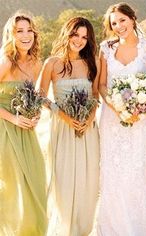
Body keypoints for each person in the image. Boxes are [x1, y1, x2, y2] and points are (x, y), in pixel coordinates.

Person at [97, 2, 146, 235]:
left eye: (122, 20)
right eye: (114, 23)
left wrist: (139, 108)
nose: (119, 26)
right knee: (112, 170)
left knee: (136, 168)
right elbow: (102, 85)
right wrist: (115, 105)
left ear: (133, 19)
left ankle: (139, 225)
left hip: (139, 119)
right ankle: (113, 227)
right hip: (111, 119)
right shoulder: (105, 48)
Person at [39, 17, 100, 236]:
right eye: (76, 34)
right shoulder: (52, 63)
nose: (80, 40)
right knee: (63, 182)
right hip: (62, 129)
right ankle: (65, 230)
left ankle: (83, 230)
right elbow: (41, 97)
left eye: (85, 37)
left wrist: (91, 117)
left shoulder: (93, 61)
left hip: (87, 130)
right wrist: (62, 115)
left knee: (88, 180)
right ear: (67, 33)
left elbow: (95, 95)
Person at [0, 11, 47, 236]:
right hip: (5, 129)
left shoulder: (35, 63)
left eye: (29, 30)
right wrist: (14, 119)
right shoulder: (6, 61)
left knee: (34, 179)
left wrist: (34, 113)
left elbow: (32, 96)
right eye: (20, 31)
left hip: (26, 132)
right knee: (12, 186)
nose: (26, 35)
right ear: (11, 35)